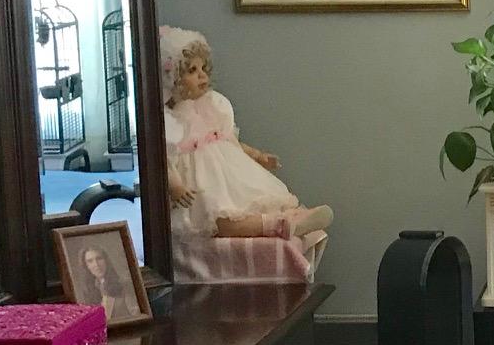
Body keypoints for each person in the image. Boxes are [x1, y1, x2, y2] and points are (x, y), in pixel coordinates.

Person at [161, 26, 332, 243]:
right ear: (172, 78)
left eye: (203, 68)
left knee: (251, 201)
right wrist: (175, 185)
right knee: (221, 220)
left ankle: (292, 217)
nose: (202, 74)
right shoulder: (170, 122)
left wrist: (258, 155)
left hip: (229, 176)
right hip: (201, 187)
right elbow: (165, 160)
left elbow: (231, 141)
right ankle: (280, 225)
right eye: (192, 71)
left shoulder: (212, 106)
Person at [76, 243, 140, 323]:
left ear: (106, 261)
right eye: (90, 261)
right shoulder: (90, 290)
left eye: (99, 259)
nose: (96, 265)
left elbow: (137, 316)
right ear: (86, 266)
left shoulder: (124, 284)